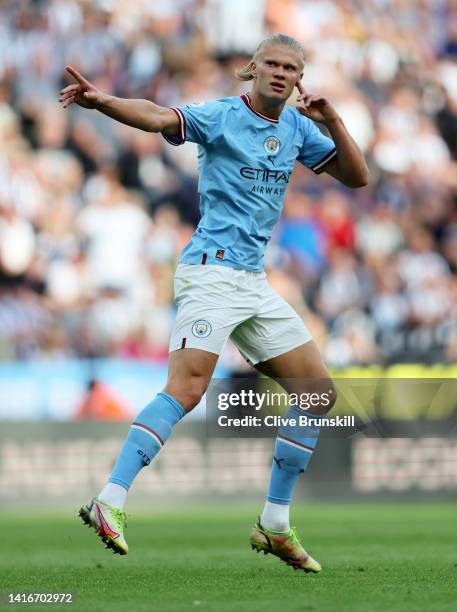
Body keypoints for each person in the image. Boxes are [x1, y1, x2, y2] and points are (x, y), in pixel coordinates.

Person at [60, 33, 368, 572]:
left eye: (291, 67)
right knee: (188, 387)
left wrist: (334, 121)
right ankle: (109, 500)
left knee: (316, 392)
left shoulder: (297, 127)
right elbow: (157, 116)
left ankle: (273, 523)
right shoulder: (222, 115)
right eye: (271, 63)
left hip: (251, 280)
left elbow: (358, 178)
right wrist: (102, 100)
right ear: (252, 67)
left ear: (300, 79)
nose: (280, 72)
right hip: (210, 270)